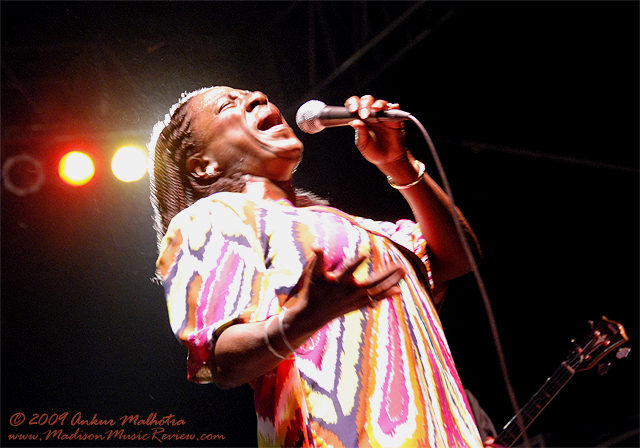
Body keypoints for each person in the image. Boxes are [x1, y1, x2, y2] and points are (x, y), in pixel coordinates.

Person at [149, 86, 486, 447]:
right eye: (227, 105)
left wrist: (397, 163)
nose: (259, 97)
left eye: (253, 93)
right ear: (203, 166)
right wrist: (300, 320)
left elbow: (459, 257)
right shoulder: (212, 217)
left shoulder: (363, 229)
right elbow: (221, 360)